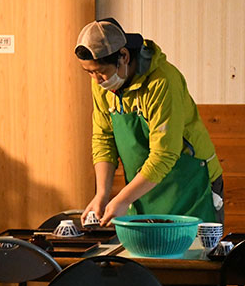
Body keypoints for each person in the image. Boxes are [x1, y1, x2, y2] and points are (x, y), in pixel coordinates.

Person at [75, 18, 224, 226]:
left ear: (124, 56)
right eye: (89, 72)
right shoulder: (102, 85)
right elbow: (103, 139)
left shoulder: (163, 81)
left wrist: (123, 199)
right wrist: (102, 194)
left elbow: (164, 154)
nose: (96, 80)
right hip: (144, 189)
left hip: (189, 184)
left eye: (101, 72)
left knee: (193, 246)